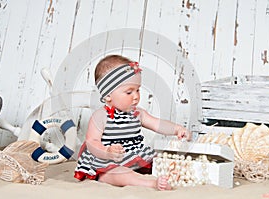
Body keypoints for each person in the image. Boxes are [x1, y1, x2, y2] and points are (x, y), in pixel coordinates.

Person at [74, 54, 192, 190]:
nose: (136, 97)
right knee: (117, 174)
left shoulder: (137, 114)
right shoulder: (101, 116)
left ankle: (170, 176)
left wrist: (177, 129)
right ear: (108, 95)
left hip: (133, 155)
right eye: (129, 92)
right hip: (107, 161)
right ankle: (150, 183)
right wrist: (107, 151)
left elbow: (157, 123)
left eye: (137, 90)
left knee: (161, 162)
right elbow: (92, 141)